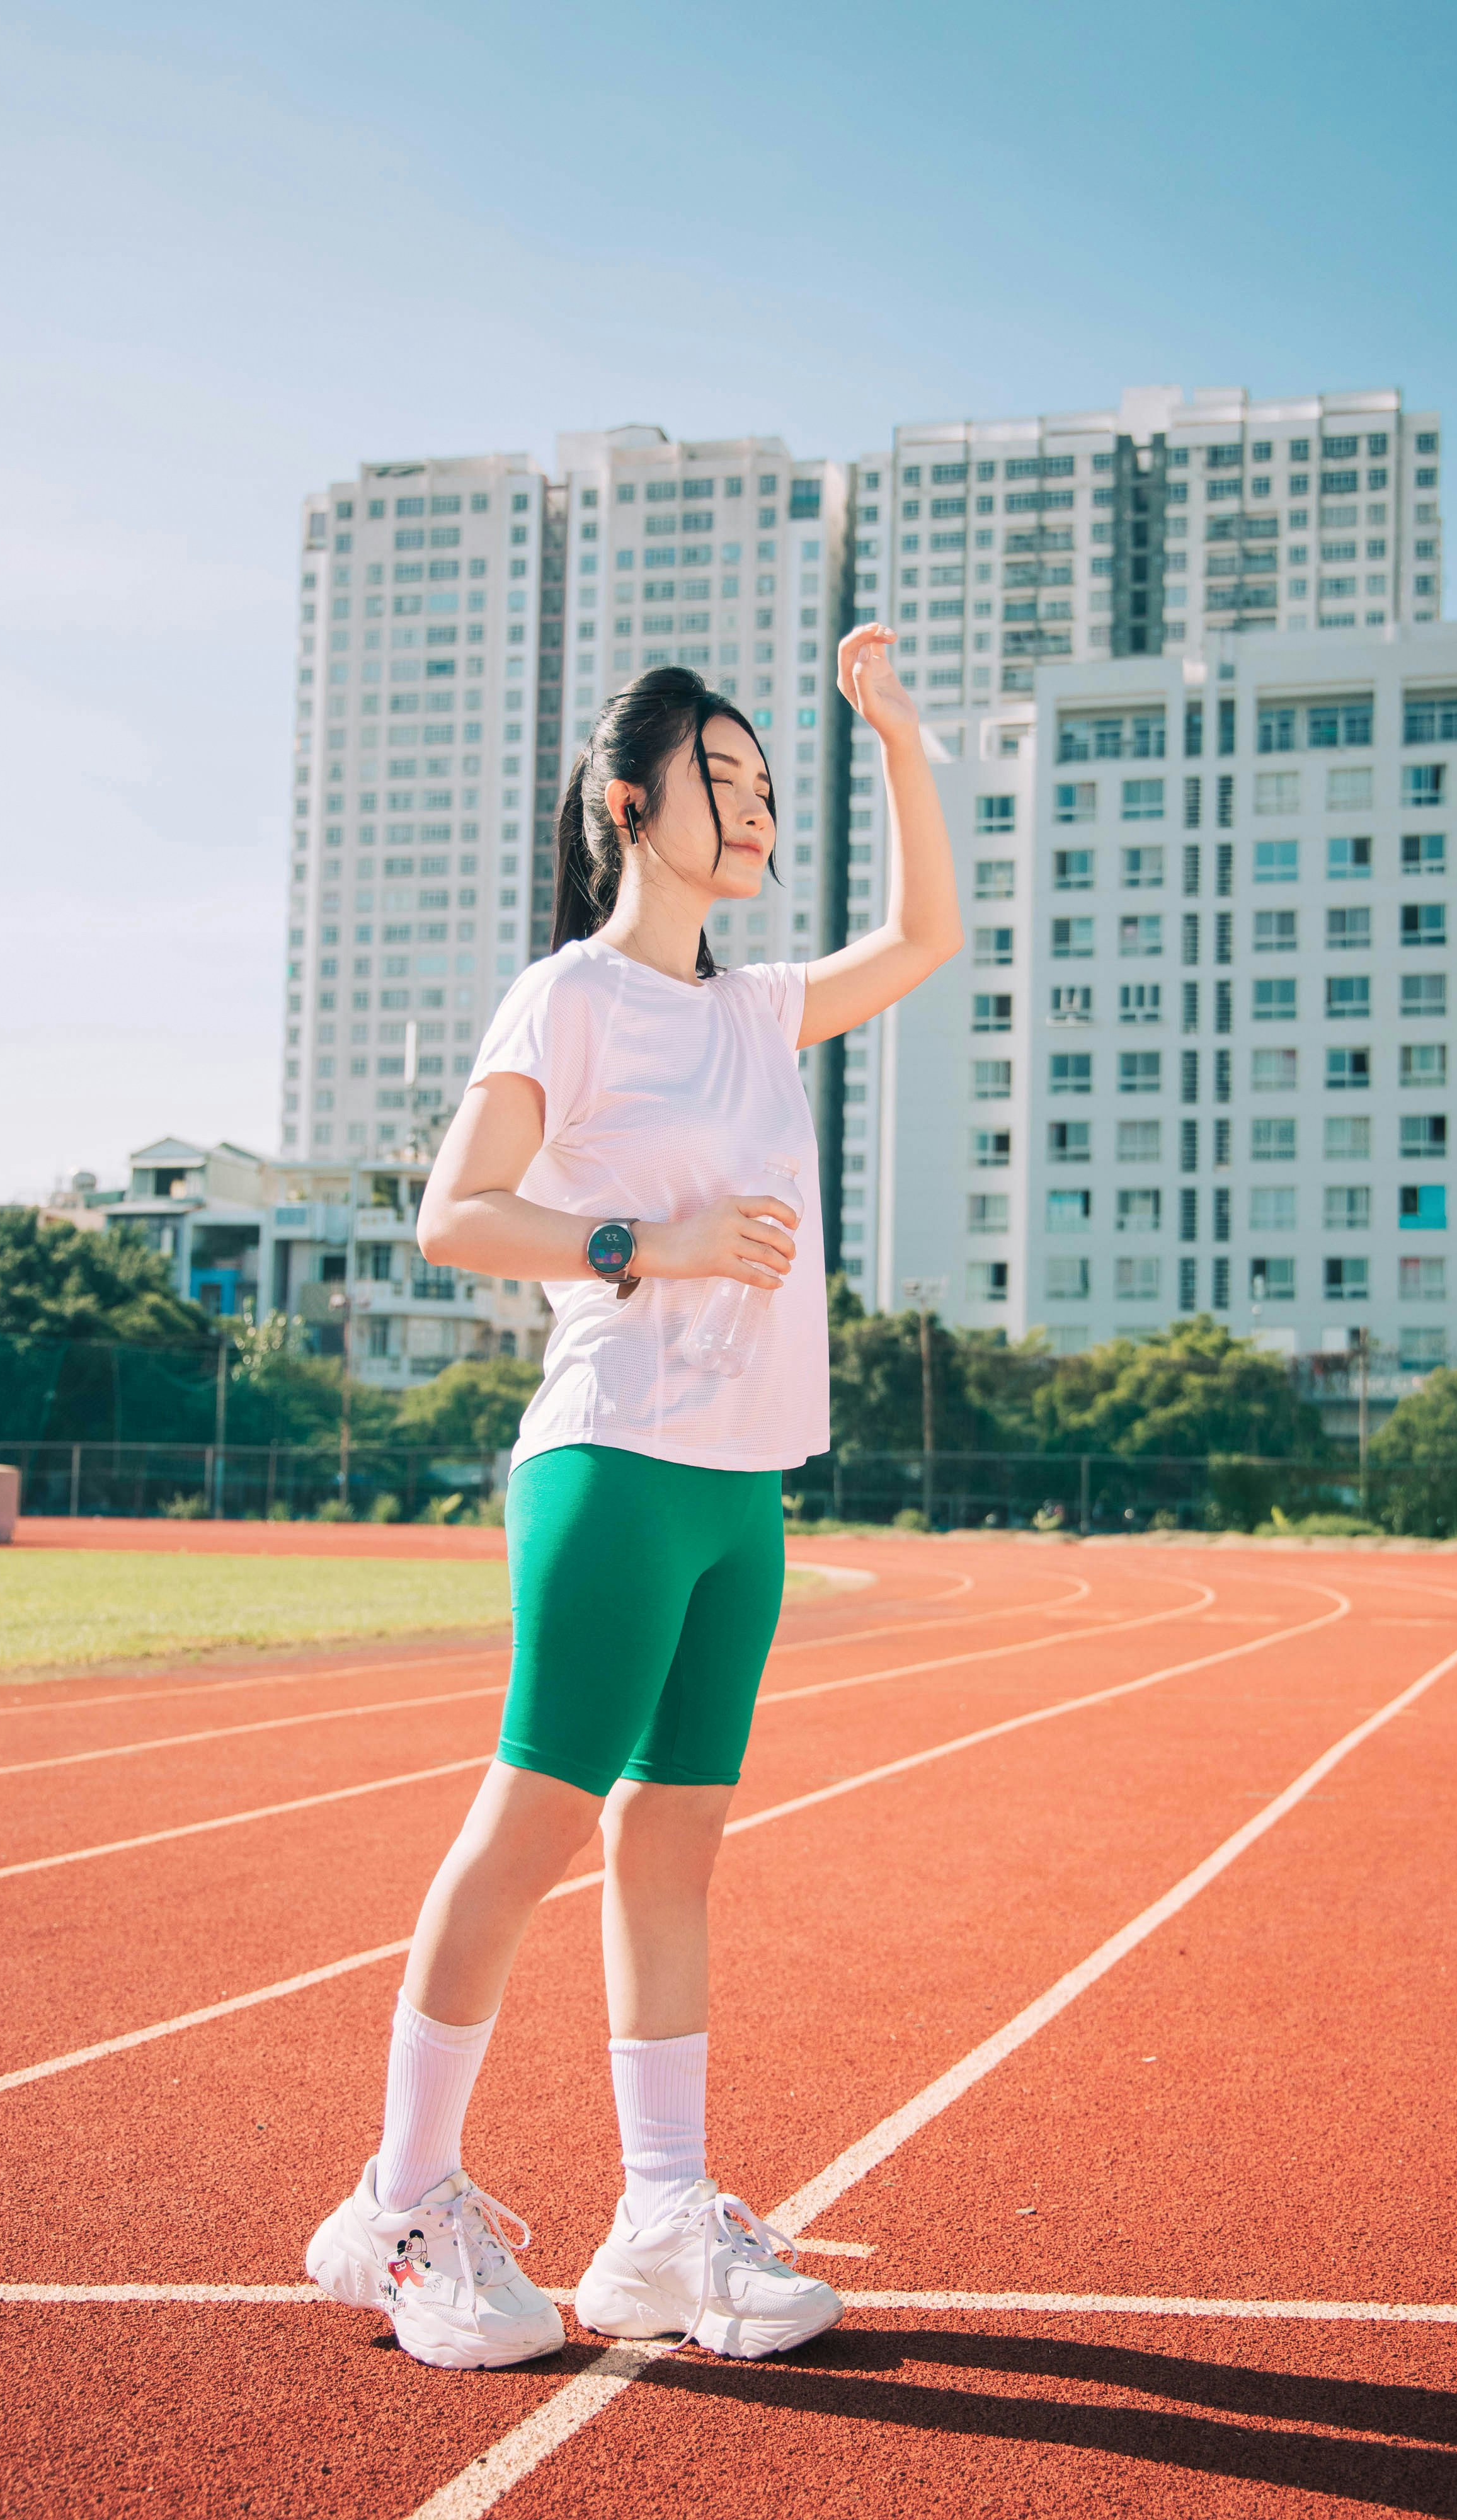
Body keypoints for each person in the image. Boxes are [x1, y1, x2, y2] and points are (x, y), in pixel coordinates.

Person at [307, 626, 963, 2369]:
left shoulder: (756, 1008)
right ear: (629, 804)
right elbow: (456, 1213)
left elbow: (925, 937)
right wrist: (642, 1243)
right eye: (721, 784)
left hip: (740, 1478)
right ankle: (399, 2207)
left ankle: (658, 2227)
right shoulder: (569, 997)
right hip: (610, 1460)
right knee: (530, 1830)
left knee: (673, 1847)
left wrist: (894, 736)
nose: (752, 812)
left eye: (763, 787)